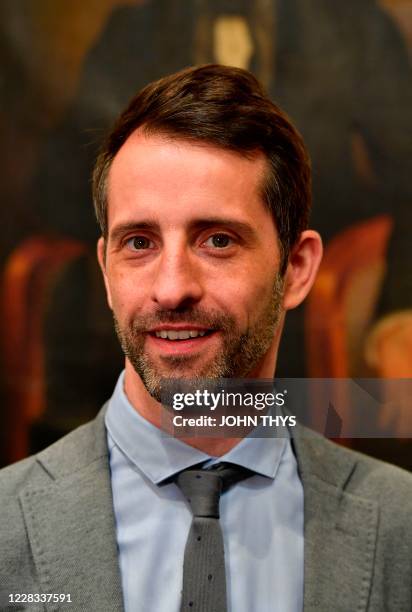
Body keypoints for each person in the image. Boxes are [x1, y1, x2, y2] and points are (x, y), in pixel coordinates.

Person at [1, 65, 411, 611]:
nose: (171, 289)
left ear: (296, 268)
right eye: (140, 242)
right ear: (105, 270)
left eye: (217, 240)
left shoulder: (399, 526)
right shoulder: (8, 523)